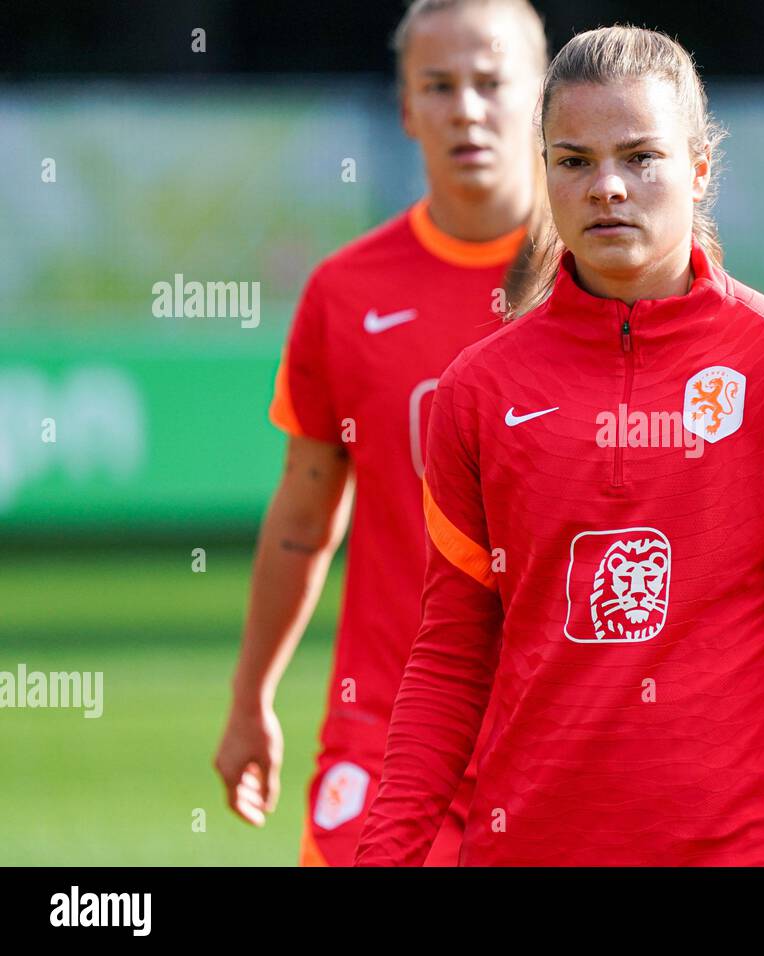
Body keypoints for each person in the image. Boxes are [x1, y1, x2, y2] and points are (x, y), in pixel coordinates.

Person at [354, 25, 764, 866]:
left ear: (700, 168)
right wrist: (385, 855)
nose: (607, 188)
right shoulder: (479, 389)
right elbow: (451, 658)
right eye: (574, 161)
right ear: (545, 172)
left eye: (641, 157)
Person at [213, 0, 548, 866]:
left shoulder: (611, 278)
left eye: (491, 82)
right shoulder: (346, 293)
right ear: (404, 108)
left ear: (543, 95)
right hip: (389, 729)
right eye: (438, 86)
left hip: (566, 732)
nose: (466, 108)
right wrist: (252, 696)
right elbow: (302, 521)